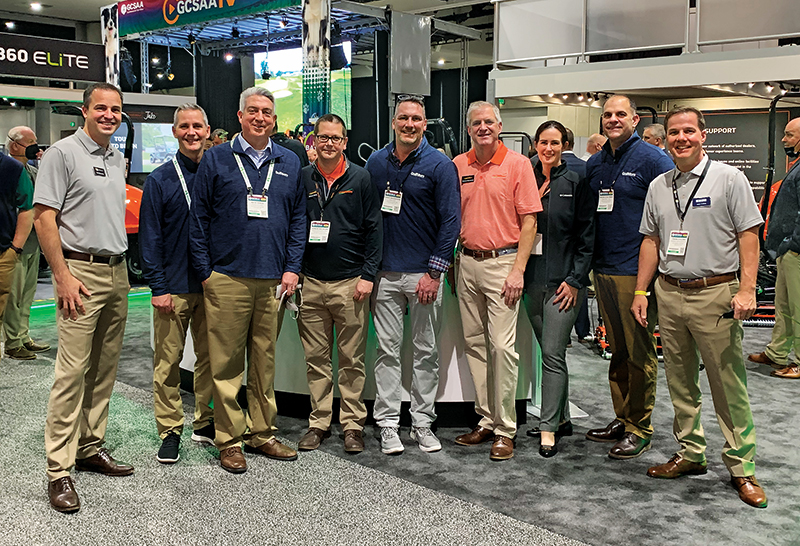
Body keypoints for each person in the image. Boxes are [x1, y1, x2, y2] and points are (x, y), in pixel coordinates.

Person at [632, 106, 767, 508]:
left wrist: (747, 290)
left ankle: (742, 468)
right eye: (674, 132)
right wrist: (642, 292)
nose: (681, 138)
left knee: (727, 384)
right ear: (666, 137)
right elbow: (651, 241)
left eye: (688, 131)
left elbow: (749, 236)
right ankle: (691, 452)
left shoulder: (729, 179)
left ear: (703, 135)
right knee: (680, 380)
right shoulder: (659, 184)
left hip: (716, 293)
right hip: (669, 293)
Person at [190, 87, 305, 473]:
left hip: (274, 278)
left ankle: (262, 433)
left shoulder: (289, 160)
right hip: (227, 277)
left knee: (264, 361)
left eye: (267, 112)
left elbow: (298, 220)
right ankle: (229, 439)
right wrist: (206, 271)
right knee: (225, 365)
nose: (260, 118)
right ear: (240, 116)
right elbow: (199, 219)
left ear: (274, 119)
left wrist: (292, 267)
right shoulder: (217, 159)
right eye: (253, 111)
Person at [37, 83, 133, 513]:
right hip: (79, 273)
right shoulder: (62, 153)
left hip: (116, 272)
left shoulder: (116, 156)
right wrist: (61, 276)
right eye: (101, 108)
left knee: (103, 369)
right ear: (85, 110)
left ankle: (90, 446)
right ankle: (59, 470)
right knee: (71, 372)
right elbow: (44, 217)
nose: (109, 115)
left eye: (115, 109)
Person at [365, 95, 460, 455]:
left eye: (416, 119)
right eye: (403, 118)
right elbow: (368, 218)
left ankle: (422, 423)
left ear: (425, 123)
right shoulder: (376, 162)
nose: (409, 124)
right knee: (386, 351)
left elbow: (451, 221)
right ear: (394, 122)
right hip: (385, 275)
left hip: (423, 275)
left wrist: (435, 273)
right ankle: (388, 424)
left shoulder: (439, 165)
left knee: (425, 352)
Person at [585, 95, 674, 460]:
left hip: (634, 272)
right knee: (617, 350)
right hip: (602, 269)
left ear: (634, 120)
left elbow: (670, 214)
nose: (613, 119)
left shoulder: (653, 160)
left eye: (620, 114)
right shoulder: (597, 162)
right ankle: (622, 417)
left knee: (640, 353)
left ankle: (640, 427)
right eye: (607, 114)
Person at [453, 101, 541, 461]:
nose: (483, 127)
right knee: (474, 344)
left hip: (502, 264)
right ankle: (486, 419)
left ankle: (506, 429)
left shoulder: (518, 165)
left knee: (502, 348)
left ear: (500, 126)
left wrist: (518, 269)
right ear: (469, 128)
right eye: (476, 123)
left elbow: (530, 223)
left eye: (489, 121)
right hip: (466, 263)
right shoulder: (460, 165)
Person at [296, 114, 382, 453]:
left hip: (351, 284)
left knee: (351, 359)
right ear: (313, 141)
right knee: (316, 359)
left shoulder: (360, 178)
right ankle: (318, 422)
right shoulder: (303, 178)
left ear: (345, 142)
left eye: (336, 138)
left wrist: (368, 275)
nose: (329, 143)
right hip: (311, 283)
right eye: (323, 137)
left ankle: (352, 425)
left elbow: (375, 229)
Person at [139, 104, 215, 465]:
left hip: (213, 286)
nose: (191, 132)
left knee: (211, 360)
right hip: (173, 286)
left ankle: (205, 421)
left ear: (208, 130)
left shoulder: (219, 173)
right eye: (184, 126)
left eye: (197, 126)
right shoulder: (160, 179)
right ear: (175, 132)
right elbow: (149, 239)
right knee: (167, 363)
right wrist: (157, 287)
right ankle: (170, 430)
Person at [521, 121, 594, 457]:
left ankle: (548, 427)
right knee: (544, 350)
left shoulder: (576, 180)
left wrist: (577, 280)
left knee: (553, 353)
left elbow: (586, 235)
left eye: (555, 143)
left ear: (565, 144)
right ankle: (562, 417)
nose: (548, 149)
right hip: (530, 280)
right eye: (543, 142)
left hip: (564, 284)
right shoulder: (525, 174)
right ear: (535, 143)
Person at [748, 117, 800, 379]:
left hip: (795, 252)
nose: (784, 140)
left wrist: (793, 245)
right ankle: (777, 353)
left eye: (789, 135)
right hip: (785, 251)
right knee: (784, 306)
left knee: (798, 308)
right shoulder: (797, 166)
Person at [3, 126, 49, 360]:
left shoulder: (32, 171)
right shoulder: (8, 171)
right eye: (30, 142)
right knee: (14, 296)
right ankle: (12, 342)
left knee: (28, 294)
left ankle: (23, 336)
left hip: (34, 244)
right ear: (14, 145)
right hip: (16, 244)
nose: (35, 147)